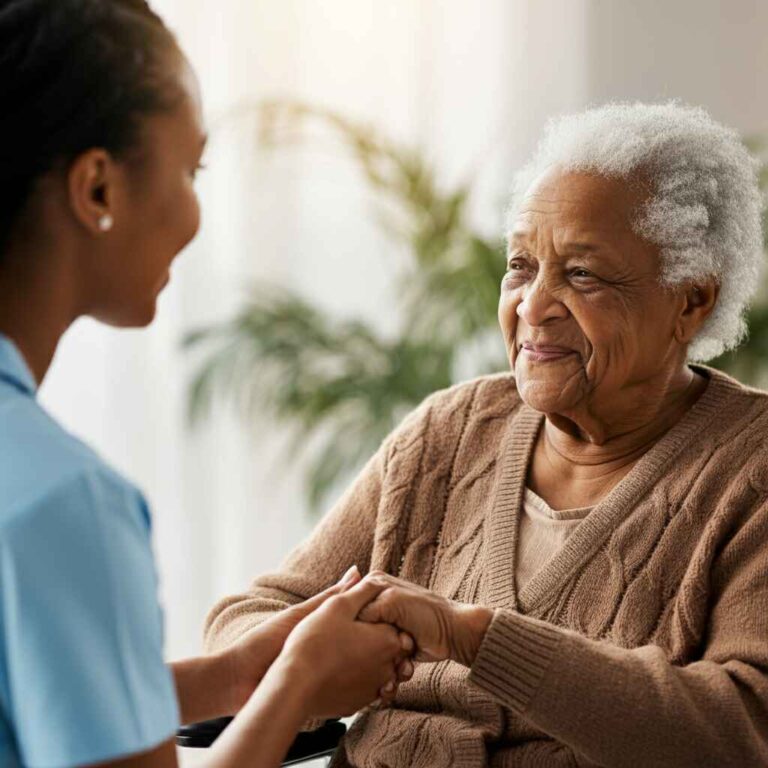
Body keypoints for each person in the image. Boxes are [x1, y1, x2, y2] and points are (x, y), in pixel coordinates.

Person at [205, 102, 768, 767]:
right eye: (521, 267)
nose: (532, 306)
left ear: (691, 299)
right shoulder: (451, 429)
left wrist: (473, 637)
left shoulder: (748, 468)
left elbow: (742, 726)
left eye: (581, 275)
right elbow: (248, 619)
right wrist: (319, 666)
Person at [0, 2, 414, 767]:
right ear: (97, 189)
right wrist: (296, 683)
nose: (196, 212)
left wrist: (232, 677)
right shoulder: (65, 504)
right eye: (192, 170)